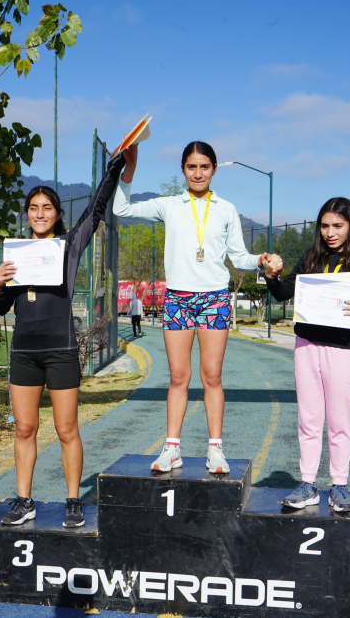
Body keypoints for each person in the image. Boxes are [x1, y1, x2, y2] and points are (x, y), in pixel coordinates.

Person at [113, 140, 282, 474]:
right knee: (177, 376)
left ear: (214, 169)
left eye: (205, 166)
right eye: (192, 166)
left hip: (214, 299)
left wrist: (260, 260)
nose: (198, 172)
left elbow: (239, 257)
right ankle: (172, 448)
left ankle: (215, 450)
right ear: (183, 170)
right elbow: (122, 209)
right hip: (177, 299)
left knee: (212, 376)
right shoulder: (169, 205)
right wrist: (129, 169)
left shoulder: (226, 209)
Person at [0, 153, 125, 527]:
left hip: (61, 351)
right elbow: (2, 308)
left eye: (46, 207)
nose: (39, 213)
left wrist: (113, 166)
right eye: (33, 208)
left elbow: (96, 209)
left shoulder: (67, 246)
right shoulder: (16, 254)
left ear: (57, 214)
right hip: (24, 353)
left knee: (67, 429)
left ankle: (72, 502)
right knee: (25, 429)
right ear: (27, 213)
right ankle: (24, 501)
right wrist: (0, 284)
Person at [264, 197, 350, 512]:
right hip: (307, 348)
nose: (330, 232)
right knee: (308, 420)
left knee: (340, 421)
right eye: (325, 225)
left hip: (342, 351)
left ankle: (339, 487)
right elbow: (284, 293)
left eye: (337, 225)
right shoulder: (311, 258)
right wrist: (272, 276)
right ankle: (308, 484)